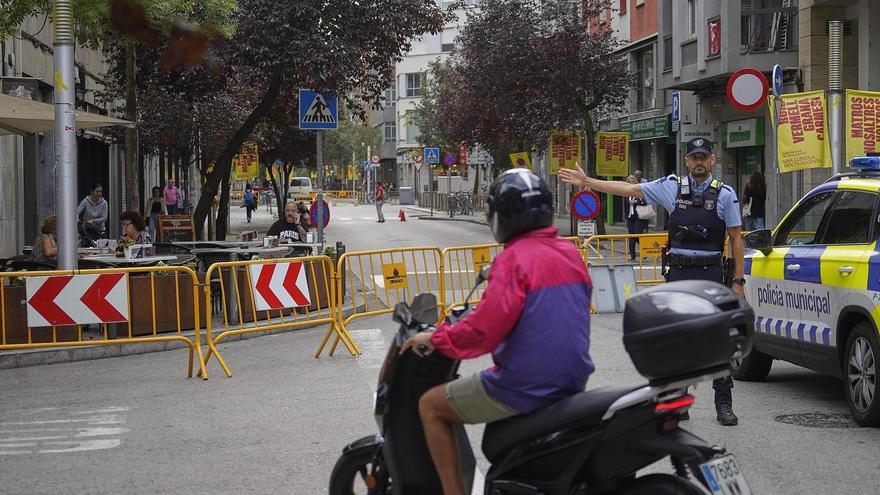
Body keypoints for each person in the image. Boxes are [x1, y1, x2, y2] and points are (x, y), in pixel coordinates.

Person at [401, 169, 594, 495]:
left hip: (525, 384)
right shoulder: (570, 252)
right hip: (572, 378)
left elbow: (481, 334)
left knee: (430, 406)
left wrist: (435, 339)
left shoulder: (512, 260)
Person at [559, 138, 744, 427]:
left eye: (703, 157)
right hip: (679, 274)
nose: (698, 162)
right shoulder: (672, 187)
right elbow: (628, 189)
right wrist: (587, 181)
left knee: (717, 337)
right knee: (680, 339)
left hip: (710, 274)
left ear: (711, 160)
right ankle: (679, 400)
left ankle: (723, 402)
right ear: (686, 160)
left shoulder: (725, 195)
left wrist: (738, 280)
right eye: (693, 157)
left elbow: (735, 238)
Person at [625, 175, 650, 261]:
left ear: (635, 182)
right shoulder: (626, 192)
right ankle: (632, 256)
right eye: (629, 181)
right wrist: (629, 201)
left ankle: (645, 250)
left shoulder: (639, 190)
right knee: (632, 236)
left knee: (637, 235)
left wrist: (635, 201)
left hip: (639, 217)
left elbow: (645, 202)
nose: (630, 183)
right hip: (630, 216)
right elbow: (625, 202)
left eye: (632, 181)